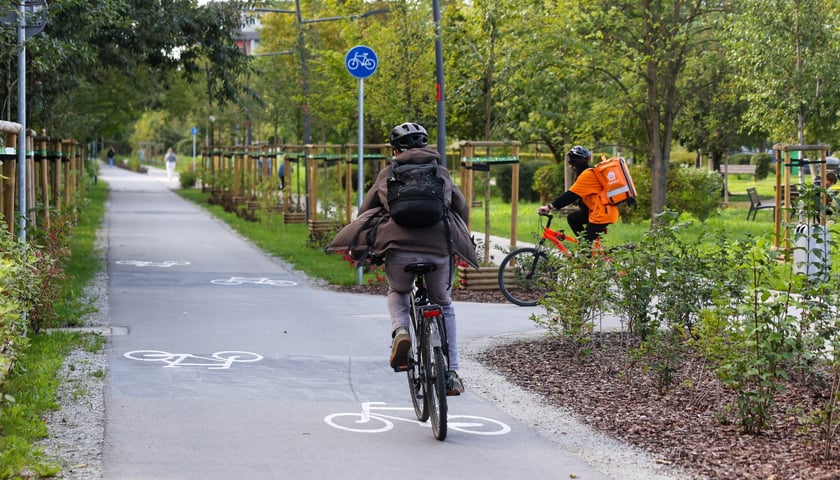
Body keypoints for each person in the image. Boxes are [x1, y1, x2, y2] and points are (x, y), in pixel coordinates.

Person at [327, 122, 478, 395]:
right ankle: (452, 372)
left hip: (398, 249)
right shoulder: (440, 172)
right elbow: (461, 207)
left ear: (394, 150)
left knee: (398, 290)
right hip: (439, 249)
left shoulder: (388, 173)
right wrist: (464, 235)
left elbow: (365, 211)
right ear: (425, 146)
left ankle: (400, 331)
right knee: (444, 304)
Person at [537, 145, 618, 242]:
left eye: (572, 161)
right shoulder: (586, 173)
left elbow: (570, 196)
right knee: (573, 219)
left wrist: (549, 207)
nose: (570, 165)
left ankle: (585, 250)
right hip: (595, 212)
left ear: (577, 162)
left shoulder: (587, 175)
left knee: (584, 244)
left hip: (602, 215)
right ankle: (586, 247)